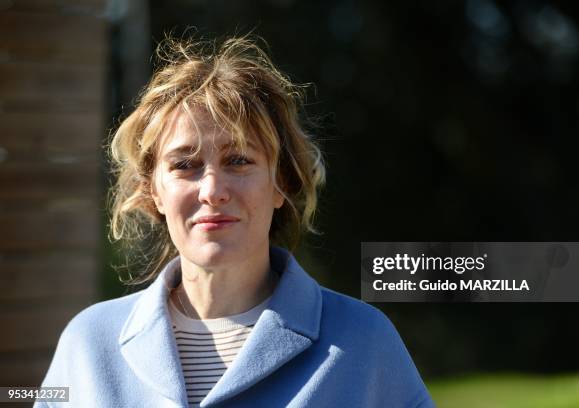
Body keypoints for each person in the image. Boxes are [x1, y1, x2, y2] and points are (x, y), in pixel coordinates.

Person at [36, 35, 434, 407]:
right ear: (152, 190)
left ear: (282, 182)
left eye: (238, 160)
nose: (212, 190)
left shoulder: (365, 341)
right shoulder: (88, 343)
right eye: (185, 165)